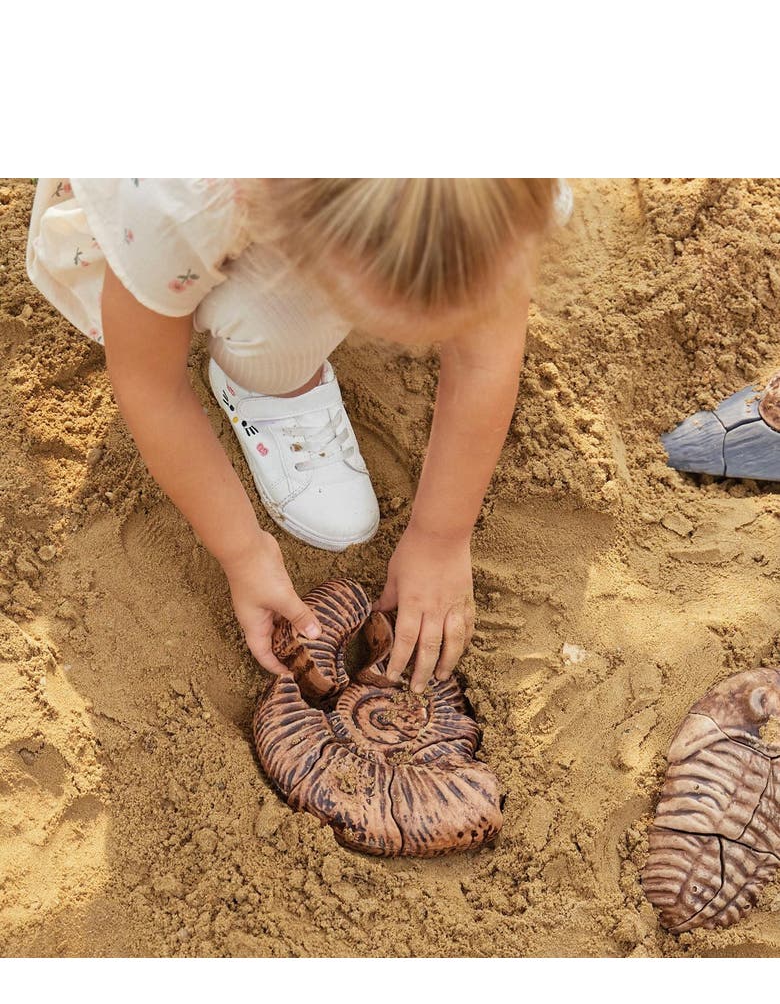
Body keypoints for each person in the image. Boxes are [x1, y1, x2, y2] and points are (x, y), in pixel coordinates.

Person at [26, 177, 572, 691]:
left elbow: (485, 356)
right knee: (273, 330)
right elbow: (149, 383)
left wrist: (442, 536)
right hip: (151, 210)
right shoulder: (182, 202)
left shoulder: (501, 184)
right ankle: (271, 382)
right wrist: (243, 552)